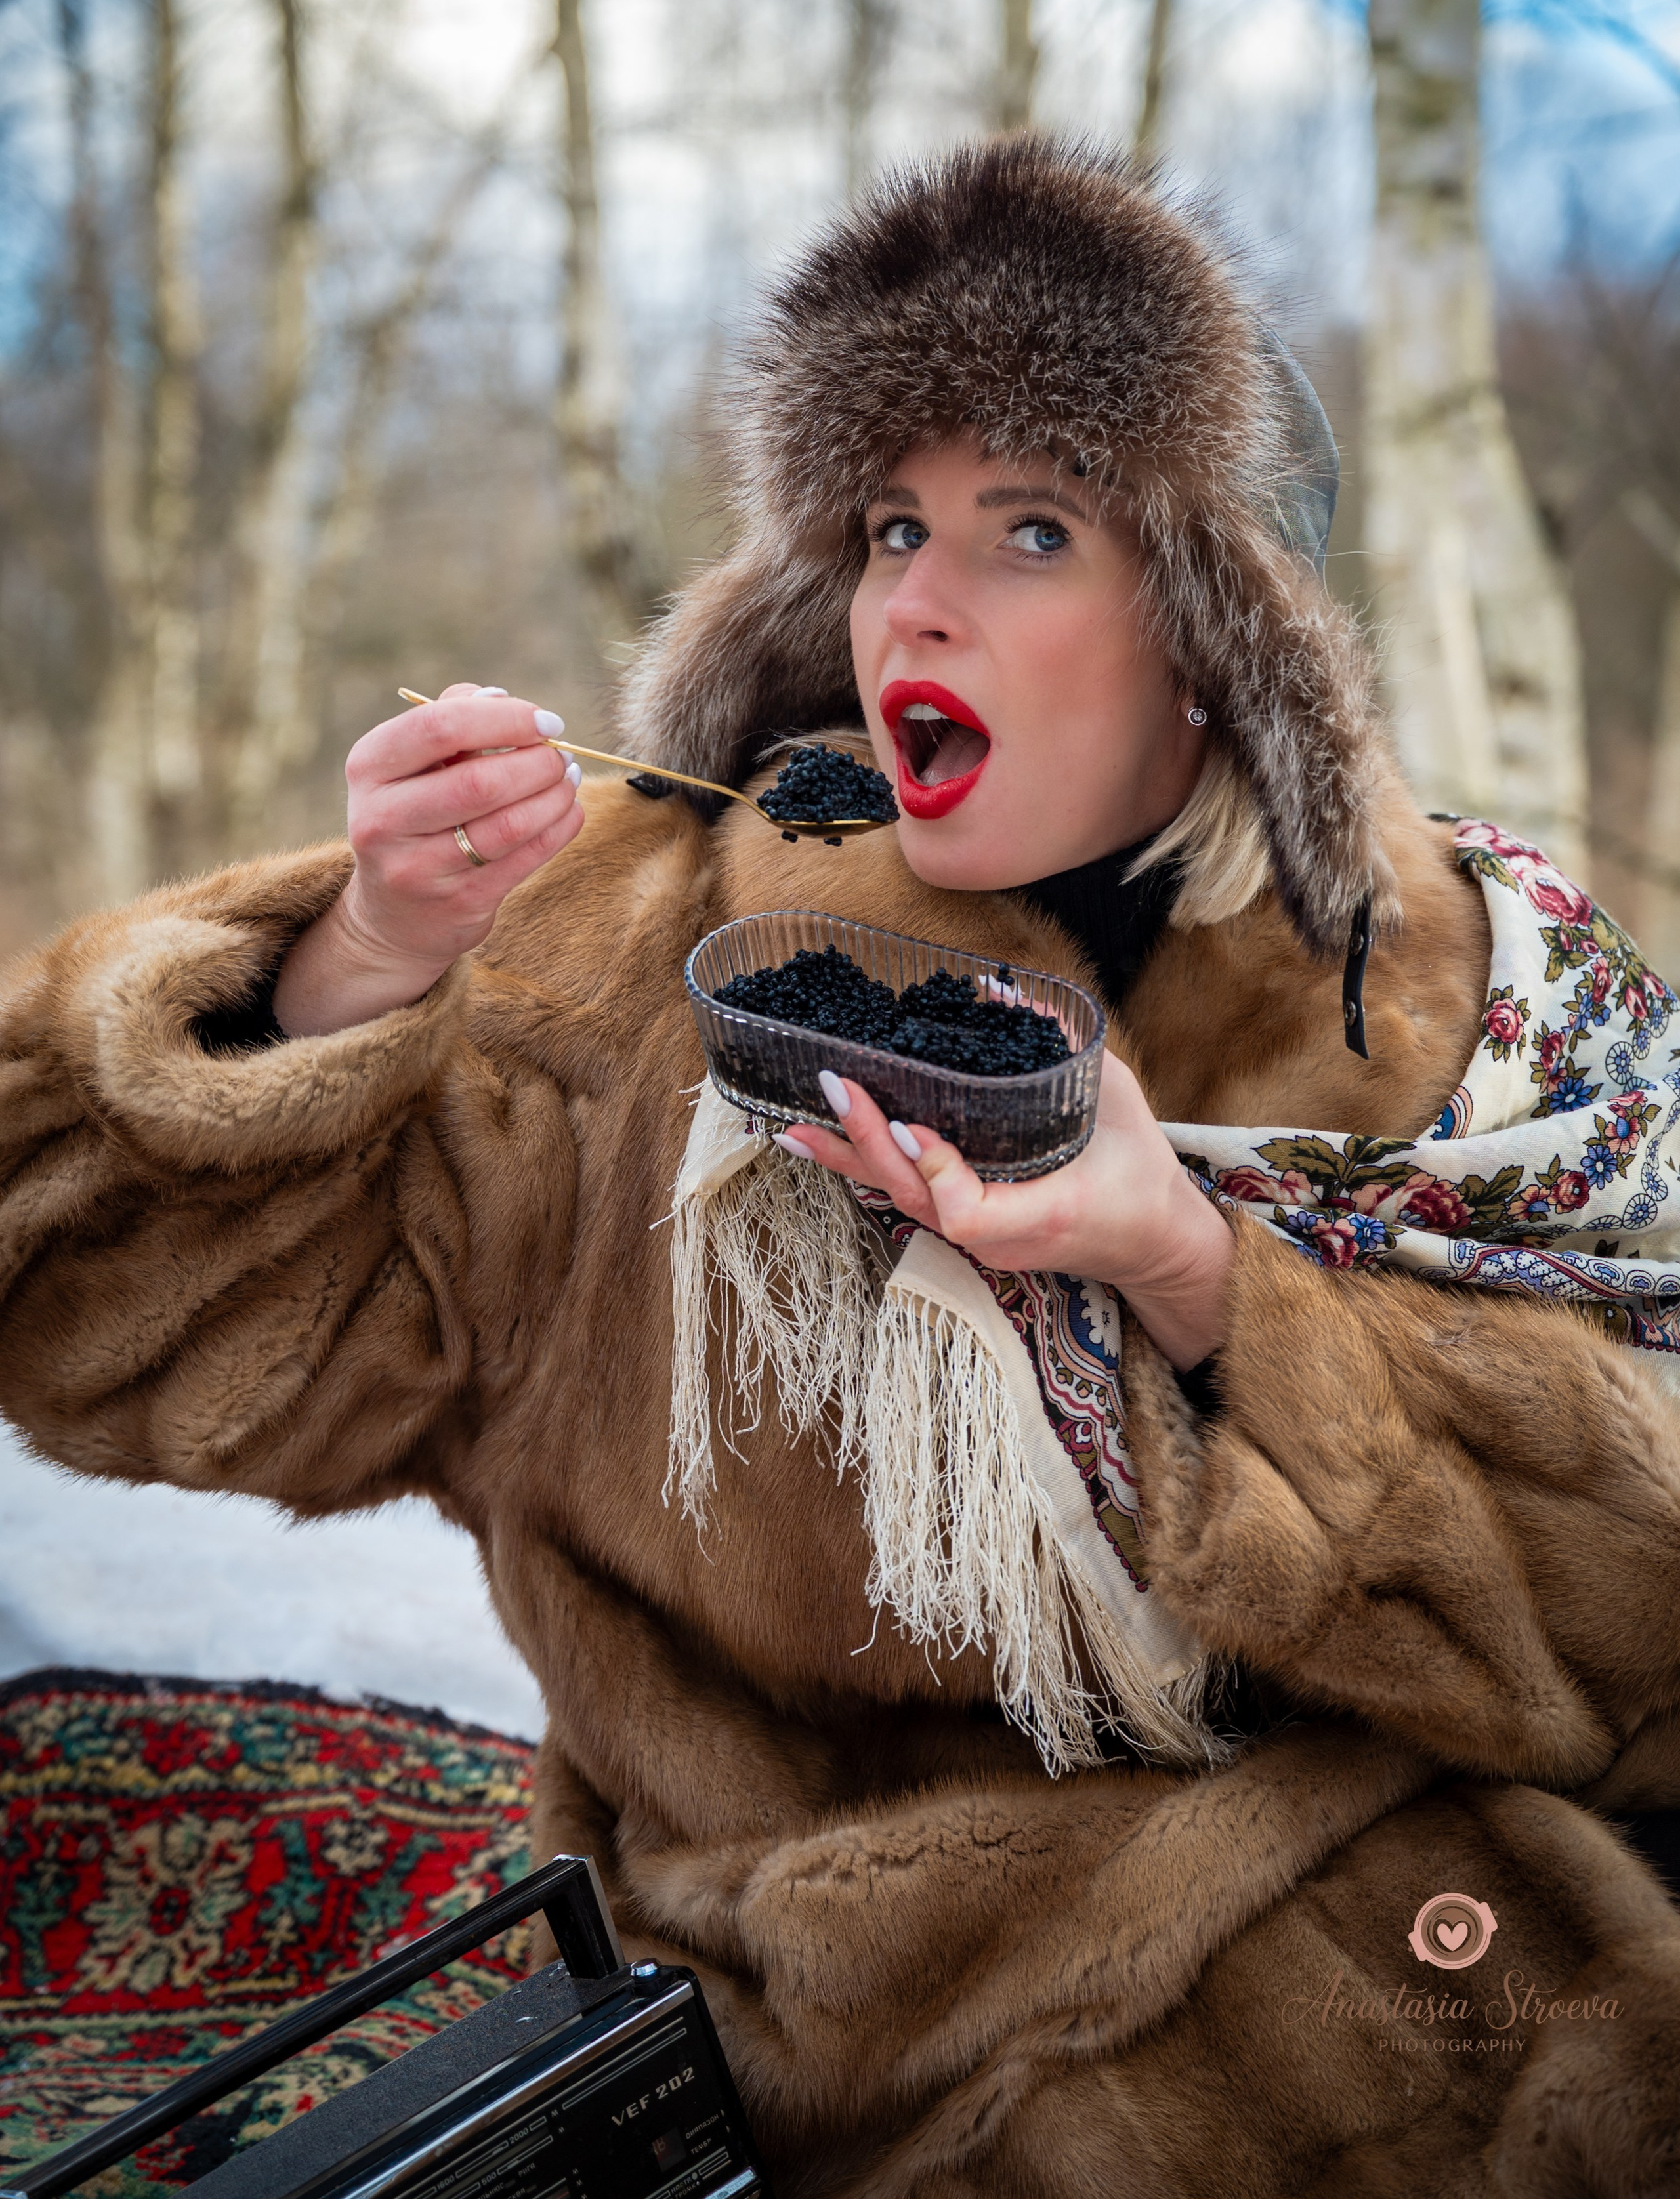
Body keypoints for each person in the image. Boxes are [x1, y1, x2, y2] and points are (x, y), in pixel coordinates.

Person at [4, 137, 1679, 2194]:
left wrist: (1197, 1272)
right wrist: (358, 961)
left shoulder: (1461, 1003)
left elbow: (1638, 1626)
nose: (918, 601)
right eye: (891, 525)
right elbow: (81, 1321)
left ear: (1213, 623)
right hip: (891, 2030)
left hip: (1459, 1950)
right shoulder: (630, 963)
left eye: (1031, 528)